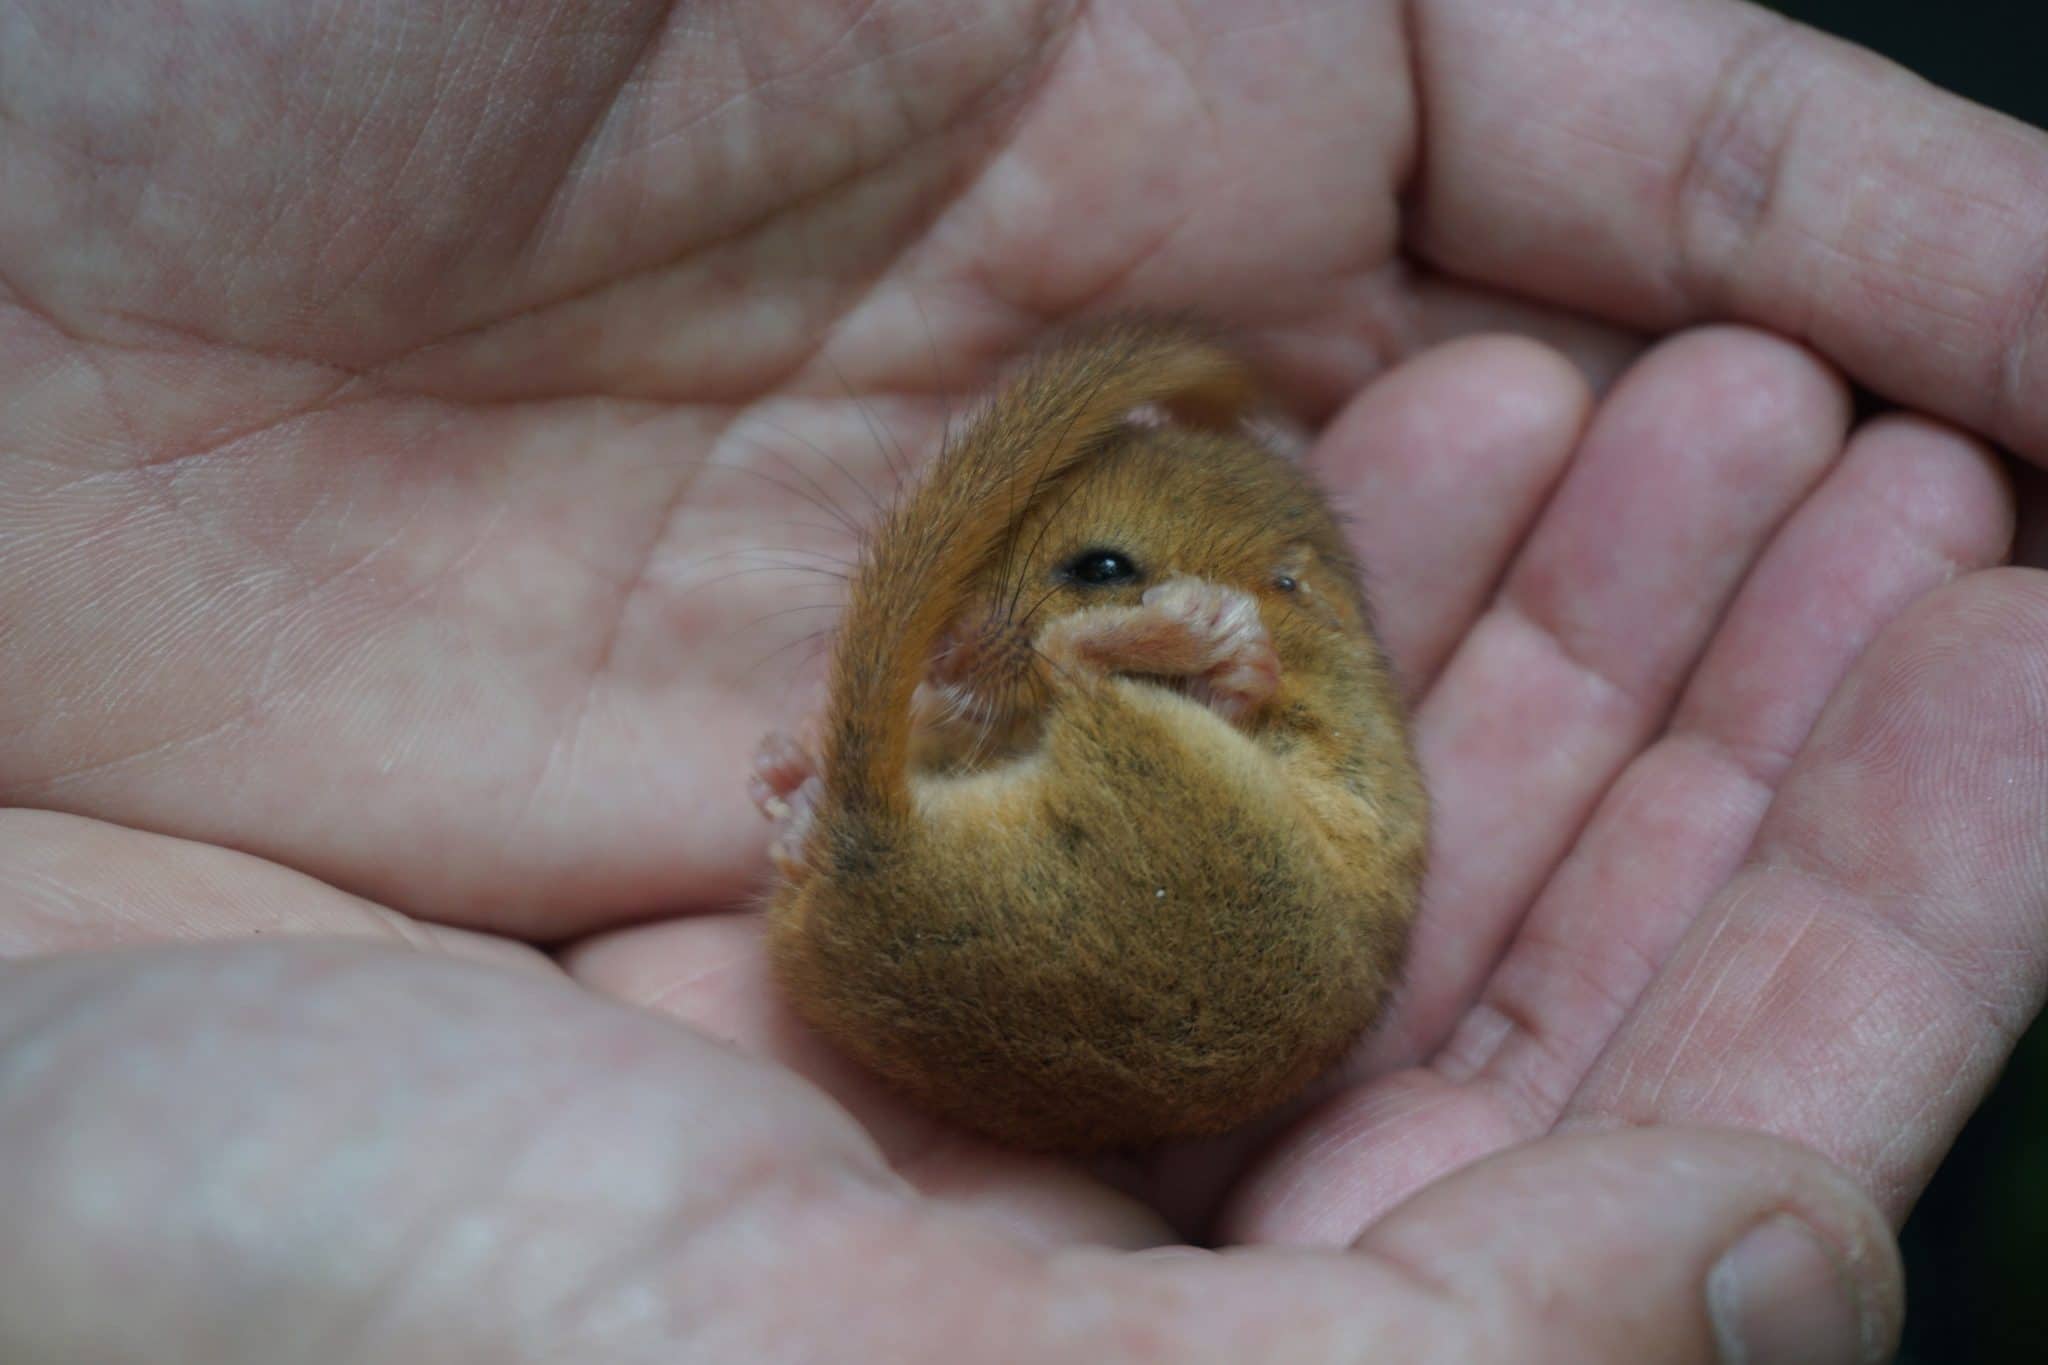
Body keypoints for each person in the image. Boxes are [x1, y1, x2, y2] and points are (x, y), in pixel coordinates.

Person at [2, 0, 2042, 1358]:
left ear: (1278, 599)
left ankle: (872, 838)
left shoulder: (1255, 672)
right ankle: (880, 834)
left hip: (971, 931)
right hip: (958, 934)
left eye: (1080, 567)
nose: (1014, 620)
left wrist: (1015, 684)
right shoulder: (1191, 726)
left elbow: (1071, 694)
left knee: (951, 761)